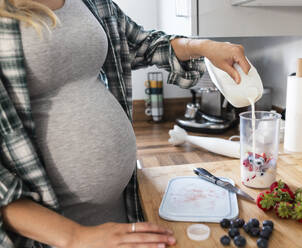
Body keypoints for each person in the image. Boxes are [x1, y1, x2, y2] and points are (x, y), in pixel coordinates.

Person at [0, 0, 250, 247]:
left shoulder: (91, 2)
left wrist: (203, 46)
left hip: (122, 208)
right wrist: (74, 236)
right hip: (52, 235)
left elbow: (142, 44)